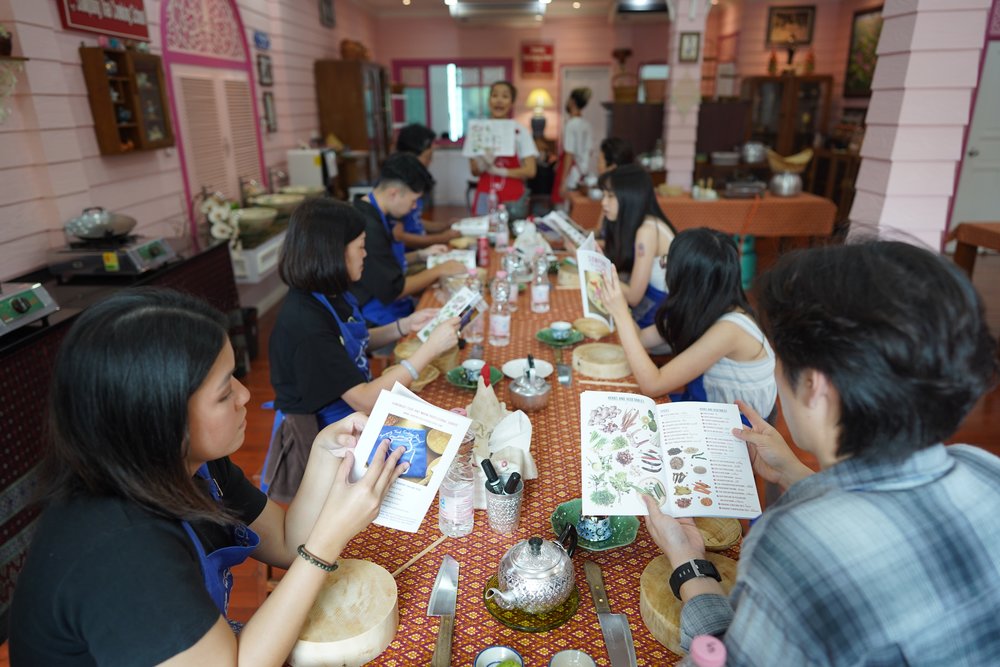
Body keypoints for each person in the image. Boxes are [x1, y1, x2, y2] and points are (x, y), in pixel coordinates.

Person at [642, 240, 1000, 665]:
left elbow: (727, 656)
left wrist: (689, 564)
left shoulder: (794, 543)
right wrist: (795, 473)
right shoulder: (986, 468)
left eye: (780, 356)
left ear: (814, 385)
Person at [9, 288, 408, 666]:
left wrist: (324, 452)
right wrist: (328, 540)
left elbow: (287, 541)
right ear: (158, 419)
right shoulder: (121, 549)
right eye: (223, 394)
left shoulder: (193, 462)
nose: (245, 395)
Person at [266, 198, 460, 500]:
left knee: (448, 437)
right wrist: (429, 349)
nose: (365, 254)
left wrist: (403, 326)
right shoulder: (305, 323)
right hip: (330, 431)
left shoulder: (329, 292)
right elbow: (366, 401)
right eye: (360, 246)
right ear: (334, 253)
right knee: (435, 465)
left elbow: (354, 339)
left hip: (355, 409)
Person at [601, 228, 776, 420]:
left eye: (668, 263)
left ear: (688, 280)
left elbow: (653, 385)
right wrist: (615, 293)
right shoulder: (701, 307)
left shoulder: (730, 329)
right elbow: (642, 339)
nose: (664, 268)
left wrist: (620, 312)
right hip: (704, 406)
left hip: (736, 427)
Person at [351, 152, 467, 326]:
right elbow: (393, 289)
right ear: (394, 193)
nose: (414, 208)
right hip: (377, 318)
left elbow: (380, 264)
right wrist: (440, 270)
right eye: (414, 201)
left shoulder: (377, 212)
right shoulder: (367, 227)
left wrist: (421, 255)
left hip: (395, 305)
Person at [599, 163, 677, 327]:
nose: (603, 202)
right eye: (604, 194)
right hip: (656, 303)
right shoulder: (644, 222)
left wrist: (597, 271)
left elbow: (634, 297)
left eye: (611, 196)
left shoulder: (647, 231)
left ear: (630, 197)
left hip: (665, 316)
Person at [469, 80, 539, 219]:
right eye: (495, 95)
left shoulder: (520, 132)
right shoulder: (478, 131)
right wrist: (484, 162)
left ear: (512, 103)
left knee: (513, 236)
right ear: (489, 100)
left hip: (513, 198)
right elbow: (474, 171)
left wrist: (501, 171)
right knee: (483, 235)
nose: (499, 101)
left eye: (505, 96)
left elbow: (531, 171)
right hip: (485, 195)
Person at [392, 123, 461, 249]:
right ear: (411, 156)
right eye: (428, 157)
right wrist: (441, 238)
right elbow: (400, 236)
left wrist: (444, 226)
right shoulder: (397, 186)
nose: (430, 162)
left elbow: (414, 220)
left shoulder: (412, 179)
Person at [553, 87, 593, 205]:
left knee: (565, 208)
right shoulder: (587, 125)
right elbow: (590, 151)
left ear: (572, 102)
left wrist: (563, 181)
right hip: (582, 172)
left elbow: (569, 153)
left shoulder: (571, 125)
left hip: (570, 172)